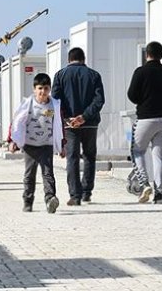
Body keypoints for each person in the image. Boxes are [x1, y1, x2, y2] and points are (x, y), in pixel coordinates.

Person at [126, 41, 162, 204]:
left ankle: (144, 183)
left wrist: (143, 99)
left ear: (147, 55)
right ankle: (159, 194)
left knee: (137, 151)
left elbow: (131, 95)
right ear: (161, 55)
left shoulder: (140, 72)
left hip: (145, 119)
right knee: (159, 156)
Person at [52, 47, 105, 206]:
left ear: (69, 59)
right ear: (83, 59)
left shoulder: (60, 75)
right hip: (89, 124)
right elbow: (99, 101)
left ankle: (75, 196)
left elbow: (55, 101)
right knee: (89, 157)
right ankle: (87, 192)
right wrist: (84, 117)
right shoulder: (94, 75)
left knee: (72, 158)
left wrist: (67, 119)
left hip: (69, 126)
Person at [9, 73, 63, 214]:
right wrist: (12, 141)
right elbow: (16, 122)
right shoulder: (28, 104)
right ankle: (28, 201)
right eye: (40, 88)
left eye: (45, 88)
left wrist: (62, 145)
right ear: (34, 89)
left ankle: (50, 199)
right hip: (30, 146)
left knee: (48, 174)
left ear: (50, 89)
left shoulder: (54, 105)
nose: (42, 92)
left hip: (47, 145)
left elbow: (59, 125)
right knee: (29, 175)